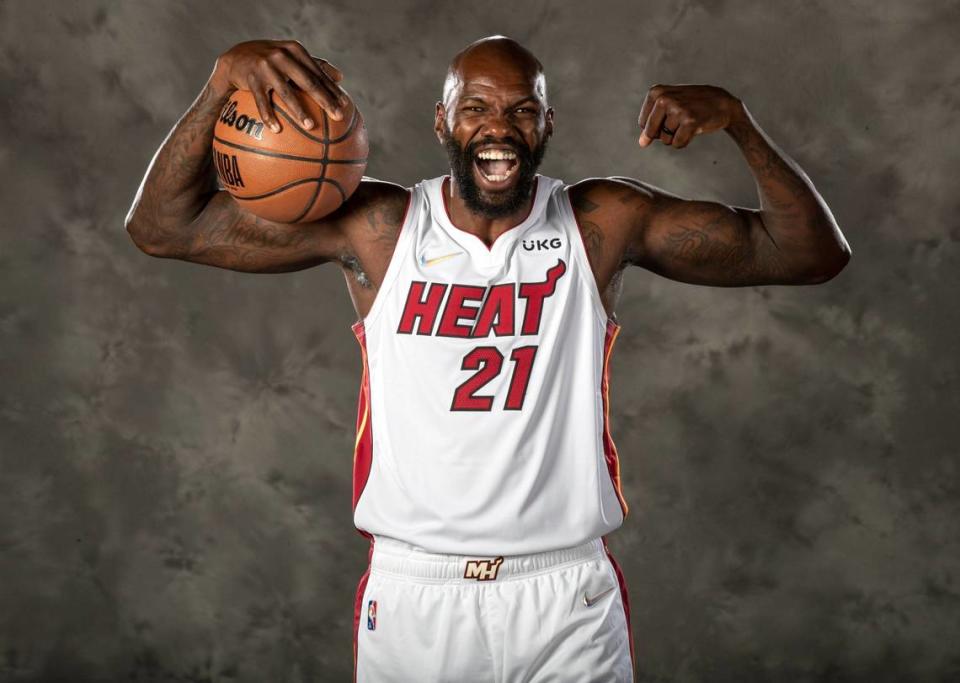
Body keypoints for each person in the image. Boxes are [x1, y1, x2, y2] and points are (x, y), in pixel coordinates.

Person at [125, 35, 851, 683]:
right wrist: (222, 82)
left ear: (547, 126)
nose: (499, 126)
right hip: (417, 594)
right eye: (474, 107)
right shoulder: (379, 230)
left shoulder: (600, 223)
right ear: (442, 123)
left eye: (522, 110)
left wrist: (739, 122)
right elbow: (161, 226)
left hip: (565, 595)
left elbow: (811, 255)